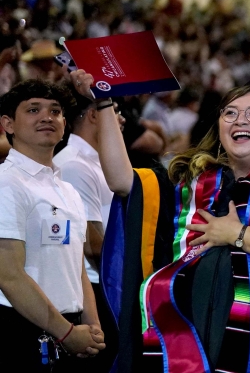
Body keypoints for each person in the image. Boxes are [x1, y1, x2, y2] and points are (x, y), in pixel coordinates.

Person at [68, 70, 250, 373]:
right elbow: (121, 179)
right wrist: (105, 103)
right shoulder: (186, 184)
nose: (241, 120)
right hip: (187, 340)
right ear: (219, 127)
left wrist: (236, 233)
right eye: (230, 113)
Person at [0, 79, 105, 371]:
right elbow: (8, 275)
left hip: (69, 331)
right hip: (22, 330)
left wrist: (92, 325)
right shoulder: (6, 183)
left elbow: (77, 266)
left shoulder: (67, 190)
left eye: (56, 111)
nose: (47, 117)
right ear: (8, 123)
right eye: (33, 110)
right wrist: (68, 333)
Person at [53, 91, 125, 371]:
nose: (121, 119)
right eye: (113, 110)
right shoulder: (74, 165)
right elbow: (91, 244)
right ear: (94, 115)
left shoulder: (97, 161)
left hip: (105, 281)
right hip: (95, 287)